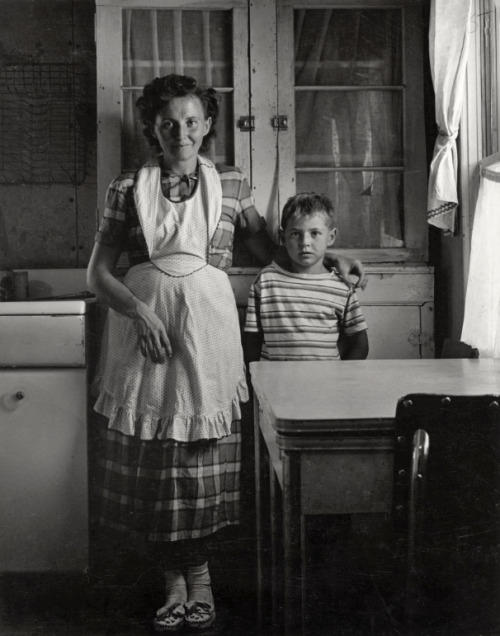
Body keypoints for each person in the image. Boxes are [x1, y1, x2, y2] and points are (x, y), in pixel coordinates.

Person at [87, 74, 367, 633]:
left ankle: (202, 578)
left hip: (208, 334)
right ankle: (172, 581)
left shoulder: (232, 185)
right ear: (153, 127)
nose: (181, 132)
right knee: (158, 462)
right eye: (169, 122)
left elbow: (274, 250)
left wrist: (335, 258)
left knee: (199, 458)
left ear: (208, 125)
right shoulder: (127, 187)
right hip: (144, 334)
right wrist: (139, 314)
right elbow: (97, 273)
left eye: (192, 121)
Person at [244, 192, 369, 363]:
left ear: (331, 237)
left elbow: (360, 344)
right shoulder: (266, 281)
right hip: (274, 384)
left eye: (315, 233)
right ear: (282, 237)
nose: (305, 242)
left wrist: (341, 378)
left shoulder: (342, 285)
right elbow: (252, 340)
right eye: (296, 234)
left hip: (325, 385)